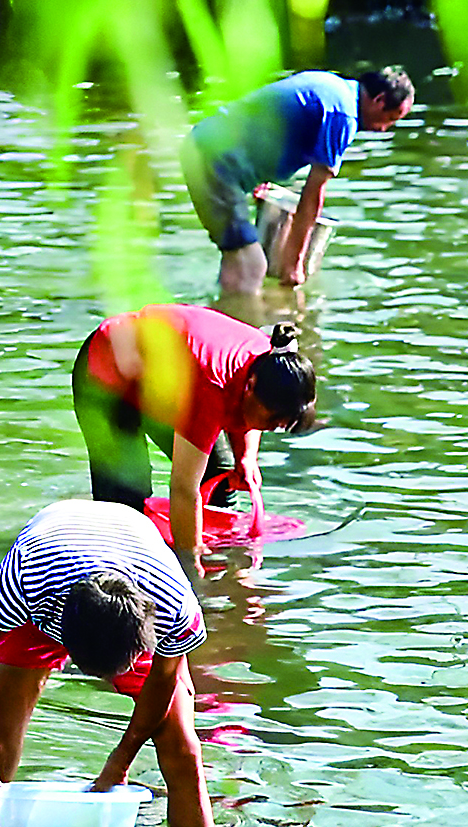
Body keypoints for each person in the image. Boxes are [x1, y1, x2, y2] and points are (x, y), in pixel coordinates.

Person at [0, 499, 211, 827]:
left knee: (183, 748)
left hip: (135, 559)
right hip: (55, 558)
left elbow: (164, 680)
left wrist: (121, 761)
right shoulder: (27, 582)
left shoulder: (174, 606)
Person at [71, 303, 315, 575]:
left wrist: (246, 457)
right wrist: (189, 562)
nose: (272, 428)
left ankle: (218, 558)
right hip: (106, 374)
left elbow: (248, 417)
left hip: (162, 382)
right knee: (127, 505)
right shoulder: (212, 383)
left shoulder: (270, 359)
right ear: (251, 389)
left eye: (281, 426)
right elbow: (184, 489)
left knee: (220, 474)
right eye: (272, 420)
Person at [183, 68, 413, 296]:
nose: (383, 129)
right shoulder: (343, 115)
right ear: (379, 100)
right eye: (390, 118)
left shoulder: (333, 86)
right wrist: (294, 263)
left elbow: (267, 120)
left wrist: (257, 179)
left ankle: (219, 315)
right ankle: (240, 329)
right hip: (215, 161)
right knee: (251, 267)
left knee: (237, 259)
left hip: (207, 148)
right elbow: (314, 193)